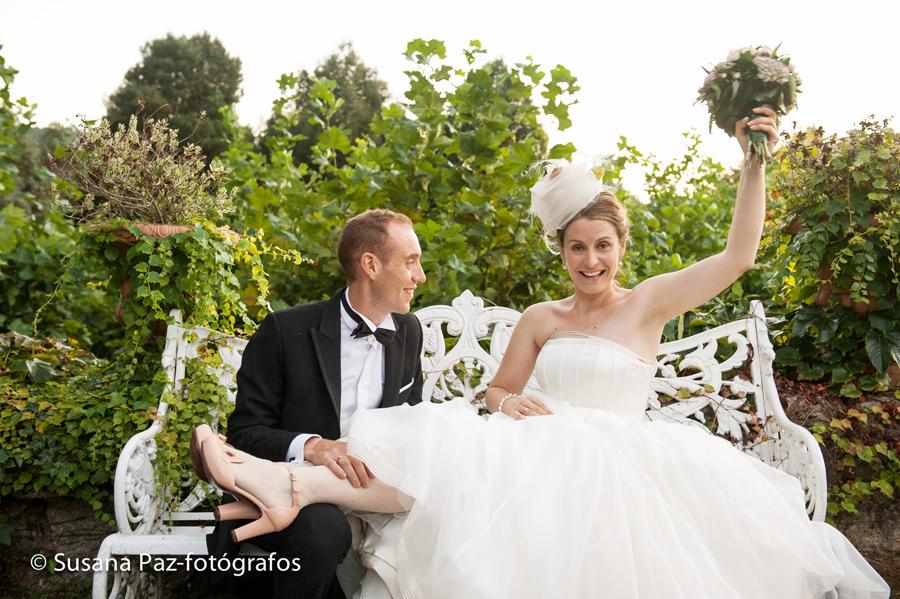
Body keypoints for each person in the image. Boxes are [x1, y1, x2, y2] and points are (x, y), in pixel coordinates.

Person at [195, 107, 890, 598]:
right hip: (534, 448)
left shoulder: (647, 302)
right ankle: (296, 483)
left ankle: (292, 483)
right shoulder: (540, 316)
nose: (591, 260)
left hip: (618, 466)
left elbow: (739, 256)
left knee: (456, 453)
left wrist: (753, 164)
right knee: (453, 438)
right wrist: (509, 400)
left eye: (603, 245)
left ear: (621, 247)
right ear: (562, 251)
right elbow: (495, 393)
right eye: (577, 246)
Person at [203, 208, 427, 599]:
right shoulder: (285, 331)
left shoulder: (408, 331)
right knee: (324, 530)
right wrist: (311, 445)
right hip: (297, 498)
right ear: (370, 264)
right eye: (410, 262)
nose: (419, 276)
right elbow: (244, 433)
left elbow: (412, 424)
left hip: (376, 491)